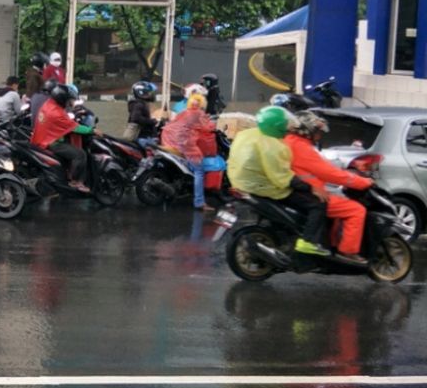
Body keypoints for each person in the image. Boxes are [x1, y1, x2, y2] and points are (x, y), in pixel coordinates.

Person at [227, 106, 330, 257]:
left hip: (239, 181)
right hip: (262, 186)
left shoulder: (247, 134)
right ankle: (308, 242)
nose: (289, 128)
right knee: (318, 203)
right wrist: (312, 188)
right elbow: (282, 178)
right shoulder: (272, 146)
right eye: (285, 125)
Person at [285, 112, 373, 266]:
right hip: (308, 193)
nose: (320, 136)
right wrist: (362, 182)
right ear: (308, 131)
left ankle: (330, 243)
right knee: (356, 210)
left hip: (302, 190)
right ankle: (347, 251)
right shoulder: (301, 147)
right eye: (318, 132)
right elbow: (328, 172)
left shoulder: (291, 142)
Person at [30, 83, 92, 192]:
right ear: (63, 99)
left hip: (42, 137)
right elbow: (75, 127)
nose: (71, 102)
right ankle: (76, 182)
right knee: (80, 154)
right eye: (70, 100)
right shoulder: (56, 113)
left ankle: (66, 172)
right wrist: (92, 130)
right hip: (52, 142)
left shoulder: (48, 104)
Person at [160, 91, 217, 210]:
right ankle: (199, 202)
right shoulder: (198, 114)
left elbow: (172, 124)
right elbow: (206, 127)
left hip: (177, 144)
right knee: (199, 172)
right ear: (202, 103)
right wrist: (213, 125)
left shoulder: (184, 113)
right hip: (189, 147)